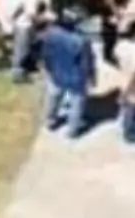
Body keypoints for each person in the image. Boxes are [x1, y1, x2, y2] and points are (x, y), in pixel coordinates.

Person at [39, 8, 96, 139]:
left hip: (57, 72)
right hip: (76, 76)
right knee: (77, 102)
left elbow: (46, 54)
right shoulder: (81, 41)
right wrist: (91, 77)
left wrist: (48, 68)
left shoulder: (51, 33)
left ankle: (49, 121)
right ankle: (72, 130)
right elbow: (87, 62)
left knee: (53, 97)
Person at [0, 0, 49, 84]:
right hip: (19, 24)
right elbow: (32, 15)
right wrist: (46, 18)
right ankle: (17, 74)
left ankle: (30, 62)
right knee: (22, 49)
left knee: (32, 38)